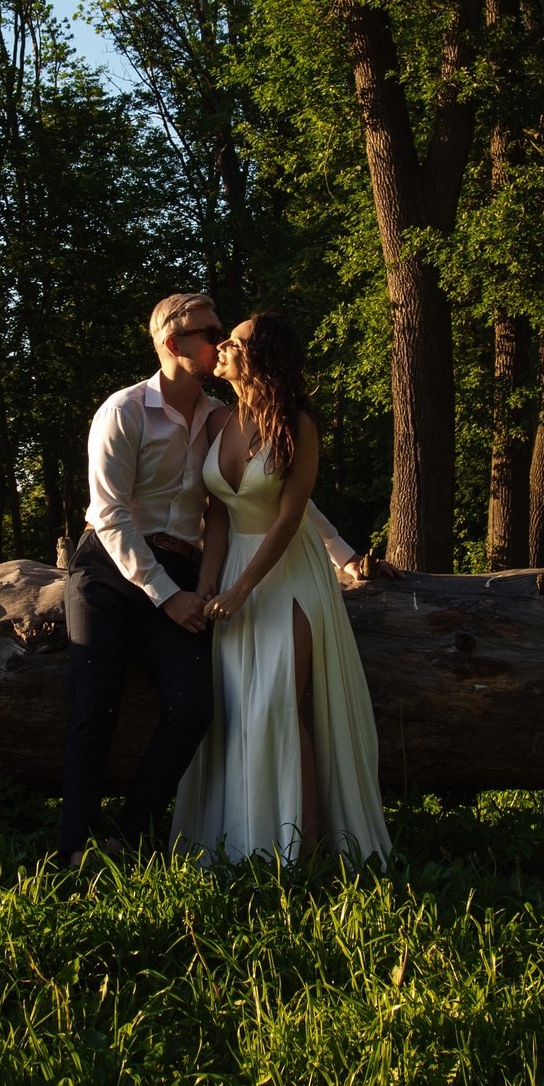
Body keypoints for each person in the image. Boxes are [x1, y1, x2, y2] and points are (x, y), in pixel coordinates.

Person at [60, 292, 386, 860]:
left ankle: (133, 838)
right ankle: (74, 852)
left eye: (225, 334)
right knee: (93, 707)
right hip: (110, 571)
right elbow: (111, 515)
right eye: (211, 334)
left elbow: (286, 498)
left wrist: (344, 554)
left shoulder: (218, 415)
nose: (220, 342)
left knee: (197, 708)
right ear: (173, 344)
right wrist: (181, 592)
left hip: (194, 573)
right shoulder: (124, 411)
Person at [174, 312, 392, 864]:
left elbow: (291, 517)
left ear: (261, 357)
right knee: (236, 708)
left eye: (236, 340)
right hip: (231, 571)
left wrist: (245, 587)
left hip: (287, 571)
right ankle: (246, 844)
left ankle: (304, 854)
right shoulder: (217, 420)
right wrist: (209, 581)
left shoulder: (297, 423)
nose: (223, 345)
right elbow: (218, 514)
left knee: (278, 703)